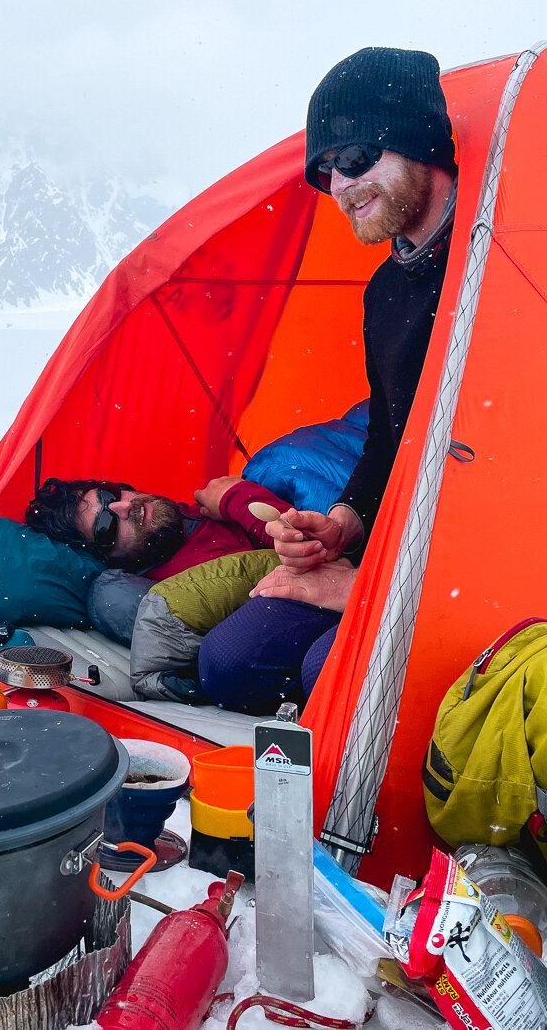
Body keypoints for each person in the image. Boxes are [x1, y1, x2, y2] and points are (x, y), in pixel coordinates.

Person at [200, 47, 459, 714]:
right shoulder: (386, 292)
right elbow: (387, 437)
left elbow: (518, 473)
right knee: (230, 662)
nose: (340, 185)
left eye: (355, 158)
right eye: (324, 171)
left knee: (334, 676)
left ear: (419, 143)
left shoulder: (496, 263)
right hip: (395, 541)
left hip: (475, 557)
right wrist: (343, 524)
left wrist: (372, 587)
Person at [25, 475, 289, 645]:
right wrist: (237, 498)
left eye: (109, 495)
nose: (123, 507)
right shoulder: (186, 580)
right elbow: (310, 560)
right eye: (105, 526)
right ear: (108, 558)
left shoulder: (198, 512)